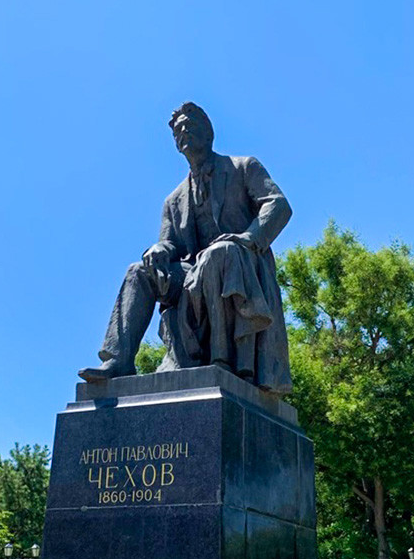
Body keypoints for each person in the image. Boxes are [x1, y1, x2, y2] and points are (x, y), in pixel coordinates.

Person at [80, 102, 294, 394]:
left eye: (190, 126)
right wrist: (160, 249)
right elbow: (171, 243)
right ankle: (118, 360)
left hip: (242, 267)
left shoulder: (243, 167)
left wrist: (248, 238)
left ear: (208, 134)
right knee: (138, 272)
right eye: (178, 130)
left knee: (219, 253)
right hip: (192, 274)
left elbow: (278, 205)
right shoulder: (173, 200)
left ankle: (222, 360)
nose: (183, 132)